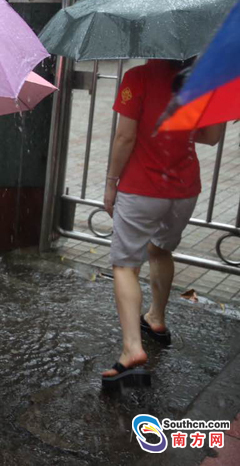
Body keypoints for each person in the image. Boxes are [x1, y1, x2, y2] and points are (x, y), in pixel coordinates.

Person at [101, 59, 225, 389]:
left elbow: (125, 137)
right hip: (183, 191)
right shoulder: (203, 78)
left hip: (141, 189)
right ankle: (156, 318)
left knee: (125, 266)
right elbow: (212, 136)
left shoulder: (137, 77)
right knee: (160, 250)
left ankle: (132, 349)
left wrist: (111, 182)